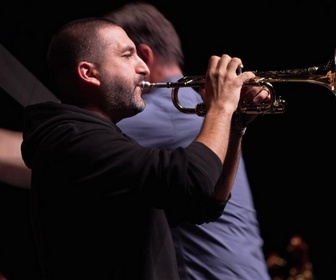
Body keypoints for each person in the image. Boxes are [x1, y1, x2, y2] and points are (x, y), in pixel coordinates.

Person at [20, 17, 269, 279]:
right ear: (88, 73)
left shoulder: (104, 139)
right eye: (128, 55)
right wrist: (220, 106)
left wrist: (235, 124)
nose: (144, 68)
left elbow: (207, 202)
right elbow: (193, 177)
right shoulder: (70, 140)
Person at [105, 2, 271, 279]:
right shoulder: (195, 109)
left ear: (143, 58)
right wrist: (236, 122)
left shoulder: (167, 112)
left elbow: (54, 161)